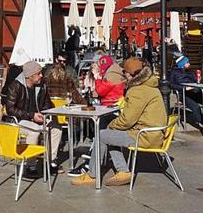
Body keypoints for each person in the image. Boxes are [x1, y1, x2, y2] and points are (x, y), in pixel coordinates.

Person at [71, 58, 167, 187]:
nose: (123, 75)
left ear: (132, 74)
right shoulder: (150, 86)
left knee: (102, 135)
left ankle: (92, 174)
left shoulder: (138, 90)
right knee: (110, 135)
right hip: (154, 133)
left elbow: (128, 120)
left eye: (125, 72)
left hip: (145, 135)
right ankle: (122, 170)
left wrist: (112, 125)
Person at [3, 61, 62, 175]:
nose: (41, 75)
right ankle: (31, 165)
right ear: (30, 76)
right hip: (19, 120)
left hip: (36, 118)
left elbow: (47, 104)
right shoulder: (15, 86)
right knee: (34, 131)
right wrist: (31, 115)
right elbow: (10, 109)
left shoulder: (42, 85)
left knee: (56, 129)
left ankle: (51, 160)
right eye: (38, 73)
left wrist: (44, 114)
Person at [170, 55, 203, 128]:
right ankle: (201, 122)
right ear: (182, 64)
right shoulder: (174, 72)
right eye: (187, 62)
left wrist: (198, 81)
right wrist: (184, 88)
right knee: (195, 107)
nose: (189, 64)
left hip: (195, 91)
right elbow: (172, 85)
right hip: (184, 94)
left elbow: (196, 82)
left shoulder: (191, 72)